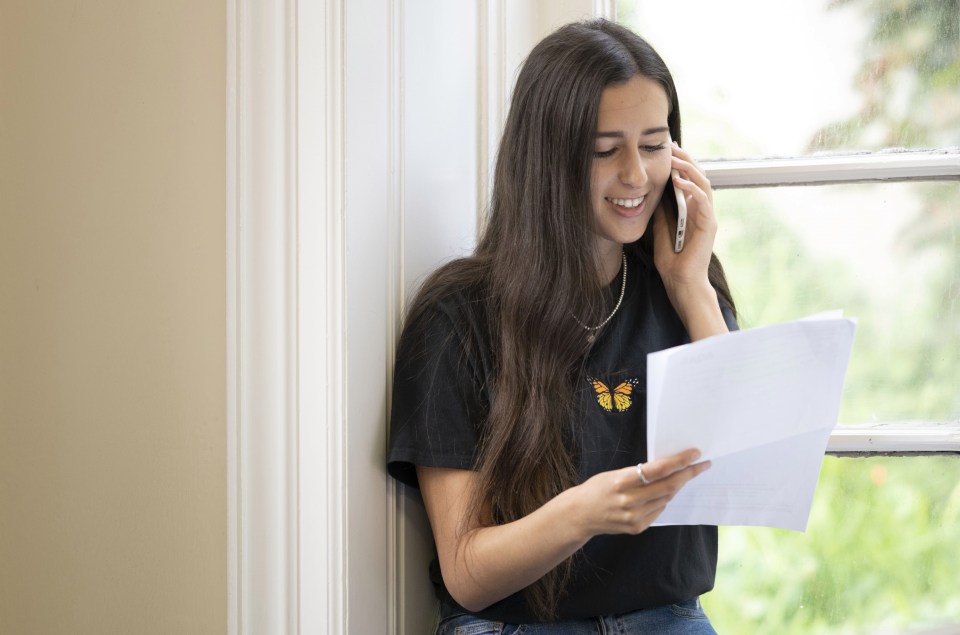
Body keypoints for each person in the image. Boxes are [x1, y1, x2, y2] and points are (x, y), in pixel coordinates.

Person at [388, 18, 739, 634]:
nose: (636, 176)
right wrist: (583, 513)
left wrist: (692, 289)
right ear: (547, 158)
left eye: (654, 145)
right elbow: (466, 571)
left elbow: (743, 467)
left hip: (670, 620)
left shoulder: (684, 284)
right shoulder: (458, 317)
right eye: (606, 151)